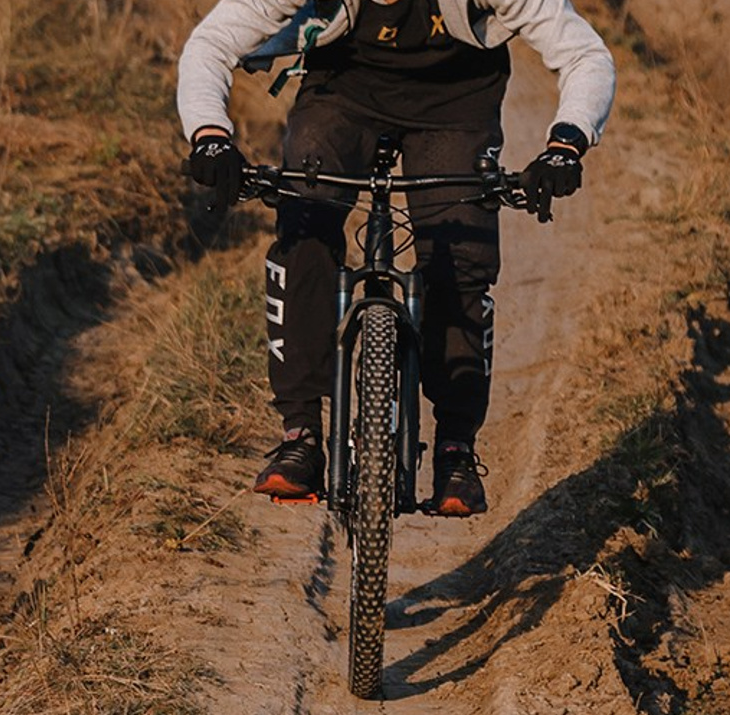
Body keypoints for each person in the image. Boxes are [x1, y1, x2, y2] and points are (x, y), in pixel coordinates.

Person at [177, 0, 615, 515]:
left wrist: (567, 143)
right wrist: (210, 135)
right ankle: (301, 433)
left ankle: (455, 448)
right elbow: (211, 43)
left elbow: (585, 53)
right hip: (341, 94)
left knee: (460, 256)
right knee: (304, 226)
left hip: (458, 104)